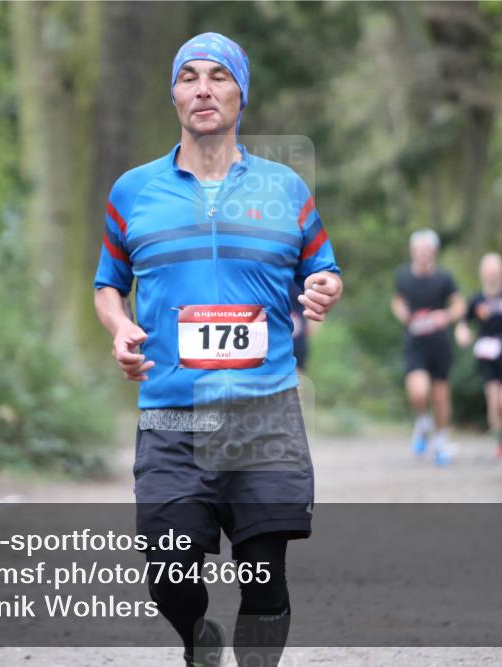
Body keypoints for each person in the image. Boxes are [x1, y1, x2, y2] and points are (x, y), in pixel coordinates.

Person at [93, 32, 342, 667]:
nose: (203, 89)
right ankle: (197, 638)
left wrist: (322, 288)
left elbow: (323, 269)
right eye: (189, 77)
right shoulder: (134, 192)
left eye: (218, 77)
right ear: (173, 93)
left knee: (264, 570)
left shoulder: (285, 189)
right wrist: (120, 328)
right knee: (169, 570)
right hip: (174, 411)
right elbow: (107, 286)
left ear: (241, 93)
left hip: (264, 412)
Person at [391, 230, 466, 465]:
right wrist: (402, 313)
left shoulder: (444, 278)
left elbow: (459, 304)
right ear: (413, 251)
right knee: (418, 392)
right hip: (415, 344)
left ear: (433, 252)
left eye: (427, 250)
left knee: (441, 395)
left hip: (439, 344)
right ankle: (423, 422)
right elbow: (397, 300)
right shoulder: (403, 276)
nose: (423, 254)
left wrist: (447, 315)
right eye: (419, 249)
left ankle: (441, 440)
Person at [455, 253, 502, 458]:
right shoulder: (476, 300)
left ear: (501, 272)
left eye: (495, 270)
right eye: (488, 270)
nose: (492, 274)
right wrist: (462, 334)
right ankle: (501, 442)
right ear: (482, 273)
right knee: (494, 399)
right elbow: (463, 323)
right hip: (486, 354)